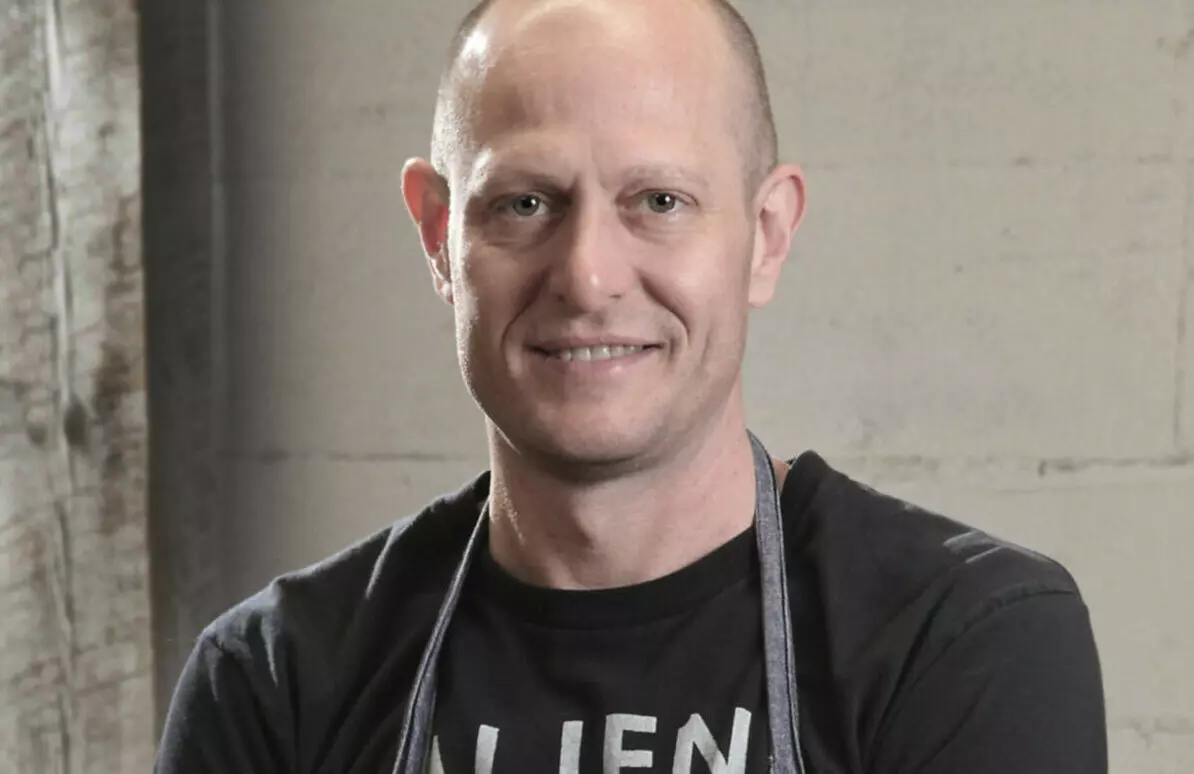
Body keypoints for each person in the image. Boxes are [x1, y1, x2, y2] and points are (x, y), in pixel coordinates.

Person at [154, 0, 1108, 772]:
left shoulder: (958, 642)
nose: (587, 277)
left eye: (658, 201)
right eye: (525, 202)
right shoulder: (275, 682)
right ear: (438, 236)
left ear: (766, 235)